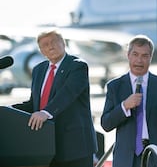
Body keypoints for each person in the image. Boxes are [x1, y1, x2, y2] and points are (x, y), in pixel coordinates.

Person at [12, 29, 98, 167]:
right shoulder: (38, 70)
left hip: (75, 147)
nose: (50, 46)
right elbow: (34, 104)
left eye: (54, 41)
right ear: (41, 51)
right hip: (47, 145)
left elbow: (67, 94)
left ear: (63, 43)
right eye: (45, 45)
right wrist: (7, 109)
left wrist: (45, 113)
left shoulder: (77, 66)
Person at [100, 34, 157, 167]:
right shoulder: (115, 86)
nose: (139, 60)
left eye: (144, 56)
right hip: (126, 159)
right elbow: (106, 124)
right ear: (128, 55)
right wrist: (124, 106)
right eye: (135, 54)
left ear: (150, 58)